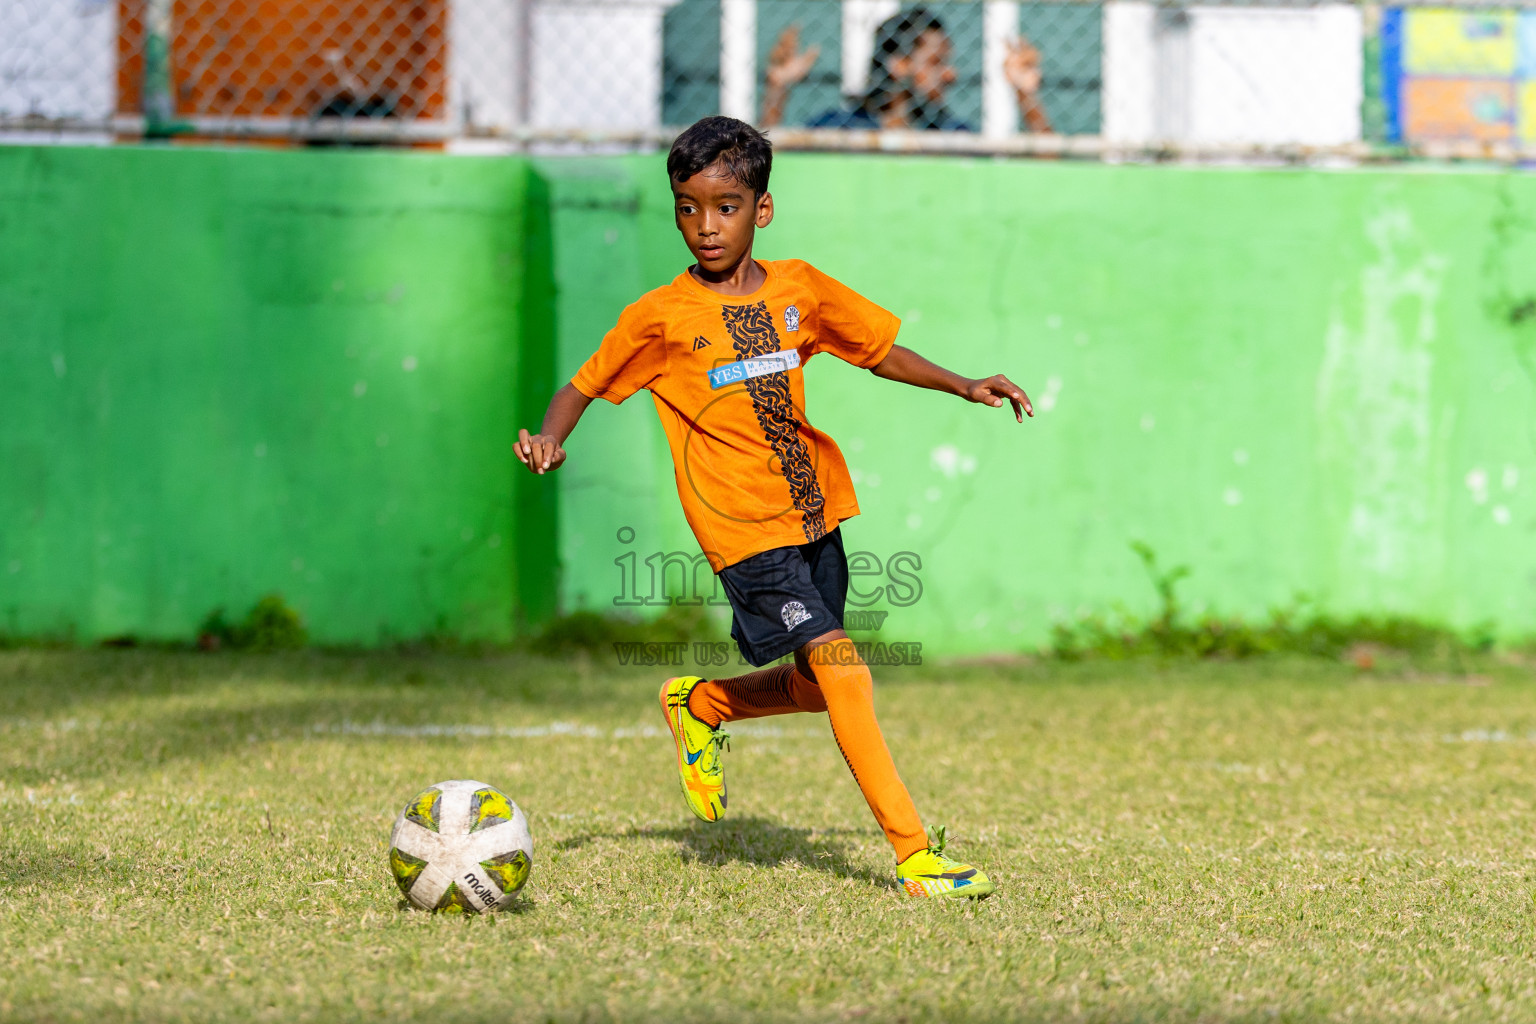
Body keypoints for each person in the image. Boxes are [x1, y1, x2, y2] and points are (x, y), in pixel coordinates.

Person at [515, 116, 1032, 899]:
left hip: (815, 512)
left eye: (724, 206)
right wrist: (552, 438)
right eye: (688, 207)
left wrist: (963, 382)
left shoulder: (800, 289)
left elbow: (876, 348)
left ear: (761, 209)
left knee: (819, 684)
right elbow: (581, 385)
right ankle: (916, 854)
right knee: (847, 672)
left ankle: (702, 702)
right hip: (740, 529)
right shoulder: (660, 316)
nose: (705, 226)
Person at [761, 7, 1053, 133]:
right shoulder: (843, 127)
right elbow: (764, 169)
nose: (951, 75)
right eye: (936, 62)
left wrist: (1025, 94)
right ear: (899, 65)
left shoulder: (950, 134)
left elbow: (1047, 161)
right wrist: (778, 88)